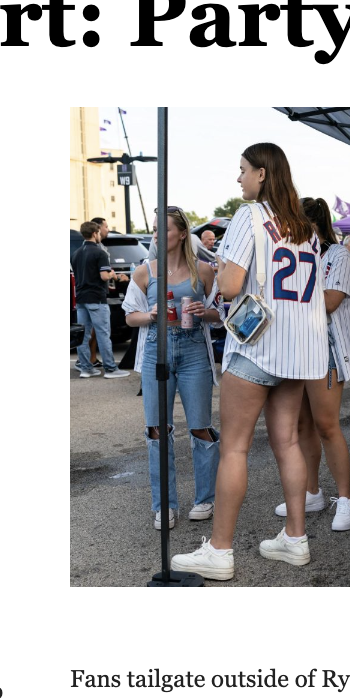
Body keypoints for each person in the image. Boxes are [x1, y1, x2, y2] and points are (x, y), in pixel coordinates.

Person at [171, 142, 329, 580]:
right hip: (298, 349)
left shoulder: (249, 216)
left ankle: (219, 551)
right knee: (289, 443)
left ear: (262, 174)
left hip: (257, 343)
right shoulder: (307, 228)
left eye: (242, 170)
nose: (237, 178)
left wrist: (220, 269)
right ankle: (295, 539)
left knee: (235, 447)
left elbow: (232, 281)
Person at [126, 207, 221, 528]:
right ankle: (163, 505)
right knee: (157, 430)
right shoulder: (144, 272)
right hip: (157, 352)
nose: (155, 234)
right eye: (154, 229)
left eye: (163, 229)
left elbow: (223, 314)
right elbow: (130, 316)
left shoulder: (205, 271)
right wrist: (151, 314)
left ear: (182, 234)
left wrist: (203, 311)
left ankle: (205, 499)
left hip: (194, 351)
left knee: (200, 427)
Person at [275, 198, 350, 530]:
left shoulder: (338, 256)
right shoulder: (296, 254)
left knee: (327, 426)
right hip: (296, 351)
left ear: (312, 224)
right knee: (301, 427)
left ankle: (346, 499)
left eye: (294, 224)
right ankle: (312, 492)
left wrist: (289, 288)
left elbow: (329, 302)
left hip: (326, 350)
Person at [72, 221, 129, 379]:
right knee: (103, 333)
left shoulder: (76, 253)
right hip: (96, 298)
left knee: (84, 335)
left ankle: (86, 368)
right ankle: (110, 368)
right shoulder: (100, 252)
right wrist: (112, 274)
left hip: (81, 298)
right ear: (95, 233)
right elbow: (104, 276)